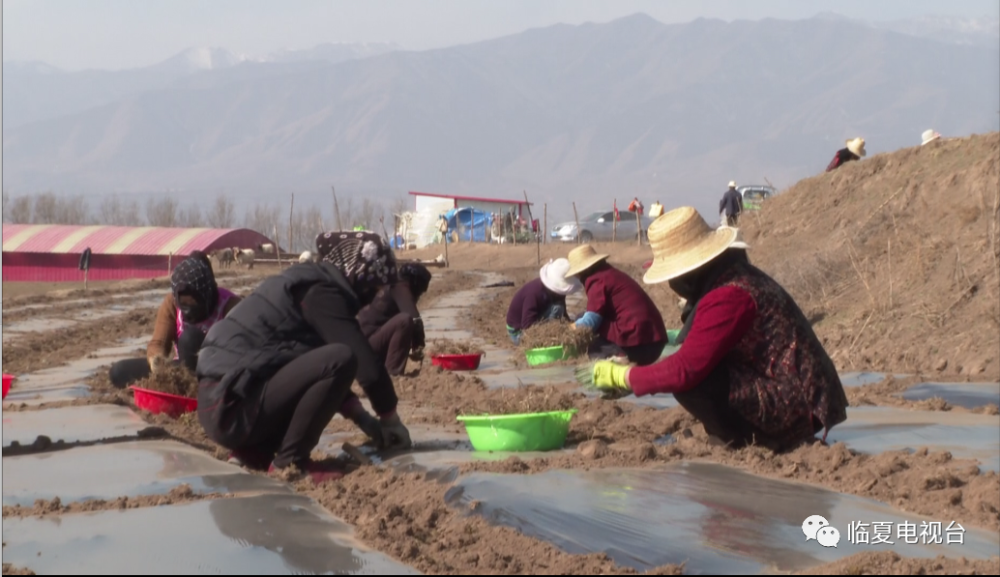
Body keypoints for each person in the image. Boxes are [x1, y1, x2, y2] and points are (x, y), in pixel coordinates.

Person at [589, 207, 848, 452]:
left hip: (798, 403)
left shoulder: (729, 295)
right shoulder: (733, 276)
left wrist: (624, 377)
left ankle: (751, 440)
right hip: (793, 390)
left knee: (695, 383)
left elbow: (683, 370)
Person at [196, 231, 413, 483]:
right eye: (373, 286)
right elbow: (363, 363)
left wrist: (363, 418)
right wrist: (389, 417)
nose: (374, 295)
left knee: (325, 361)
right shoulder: (320, 292)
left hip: (222, 402)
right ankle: (291, 462)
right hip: (230, 405)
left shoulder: (306, 284)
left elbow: (309, 372)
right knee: (342, 357)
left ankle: (254, 452)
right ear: (357, 273)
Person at [108, 251, 241, 389]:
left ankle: (200, 390)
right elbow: (158, 343)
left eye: (194, 301)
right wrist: (157, 362)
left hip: (219, 372)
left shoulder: (232, 306)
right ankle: (183, 388)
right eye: (184, 303)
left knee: (189, 338)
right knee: (119, 372)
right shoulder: (171, 304)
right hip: (184, 368)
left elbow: (245, 348)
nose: (189, 310)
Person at [564, 245, 668, 365]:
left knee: (590, 340)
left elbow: (591, 322)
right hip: (654, 339)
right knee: (581, 317)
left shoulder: (597, 281)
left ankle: (615, 361)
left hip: (639, 344)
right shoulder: (609, 274)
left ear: (581, 271)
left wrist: (568, 330)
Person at [357, 263, 431, 375]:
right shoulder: (400, 286)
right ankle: (393, 373)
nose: (419, 296)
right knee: (404, 321)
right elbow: (415, 320)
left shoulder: (391, 284)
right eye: (421, 291)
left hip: (364, 345)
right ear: (415, 283)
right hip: (366, 348)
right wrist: (420, 347)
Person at [506, 258, 582, 345]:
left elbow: (563, 314)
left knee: (558, 307)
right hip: (518, 332)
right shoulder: (533, 294)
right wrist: (550, 333)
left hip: (537, 318)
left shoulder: (557, 292)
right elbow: (528, 327)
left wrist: (570, 326)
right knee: (557, 308)